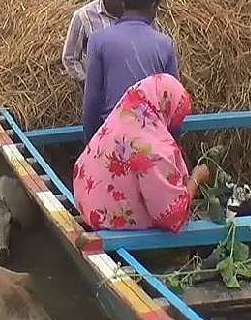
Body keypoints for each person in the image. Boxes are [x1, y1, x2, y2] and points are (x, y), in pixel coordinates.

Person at [74, 74, 210, 233]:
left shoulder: (126, 114)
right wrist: (196, 178)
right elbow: (172, 216)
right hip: (113, 221)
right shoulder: (155, 150)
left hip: (87, 202)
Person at [81, 0, 178, 143]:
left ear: (123, 4)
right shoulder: (164, 43)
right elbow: (173, 99)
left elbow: (92, 97)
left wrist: (90, 141)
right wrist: (172, 141)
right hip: (151, 136)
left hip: (113, 135)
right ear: (153, 7)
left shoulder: (98, 40)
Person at [61, 0, 136, 81]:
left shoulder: (140, 12)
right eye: (121, 0)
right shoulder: (84, 16)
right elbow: (70, 58)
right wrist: (88, 83)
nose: (125, 4)